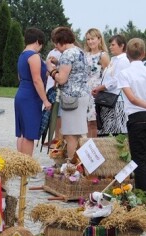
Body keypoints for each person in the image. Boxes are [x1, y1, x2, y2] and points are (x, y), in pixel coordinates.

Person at [116, 38, 146, 195]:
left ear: (127, 54)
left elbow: (132, 98)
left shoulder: (124, 73)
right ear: (144, 54)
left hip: (136, 118)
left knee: (138, 160)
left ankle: (142, 196)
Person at [46, 26, 90, 159]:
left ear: (60, 42)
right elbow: (74, 69)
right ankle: (81, 165)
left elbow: (62, 79)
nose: (56, 47)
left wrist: (52, 70)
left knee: (70, 135)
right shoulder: (79, 52)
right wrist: (59, 63)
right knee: (79, 133)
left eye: (56, 44)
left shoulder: (67, 54)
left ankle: (71, 166)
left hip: (71, 99)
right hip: (82, 96)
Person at [14, 27, 51, 156]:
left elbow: (20, 77)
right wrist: (45, 100)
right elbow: (37, 80)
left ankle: (20, 165)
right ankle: (26, 168)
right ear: (37, 42)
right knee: (30, 134)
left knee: (22, 133)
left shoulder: (22, 55)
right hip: (30, 96)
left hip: (21, 93)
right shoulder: (33, 56)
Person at [91, 34, 129, 136]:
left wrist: (101, 87)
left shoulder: (123, 60)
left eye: (113, 45)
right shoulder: (113, 60)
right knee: (105, 131)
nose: (110, 47)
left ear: (122, 46)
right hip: (107, 98)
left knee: (116, 132)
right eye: (110, 45)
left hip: (116, 100)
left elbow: (116, 80)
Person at [84, 28, 110, 138]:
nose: (90, 42)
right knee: (86, 123)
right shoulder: (85, 55)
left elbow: (109, 75)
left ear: (99, 39)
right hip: (85, 92)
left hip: (97, 93)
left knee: (94, 122)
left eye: (92, 39)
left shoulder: (103, 55)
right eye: (88, 39)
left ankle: (94, 149)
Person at [45, 45, 62, 140]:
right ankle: (52, 137)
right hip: (50, 84)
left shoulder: (64, 52)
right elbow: (47, 70)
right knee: (51, 113)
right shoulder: (51, 52)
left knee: (58, 114)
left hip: (57, 84)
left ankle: (58, 138)